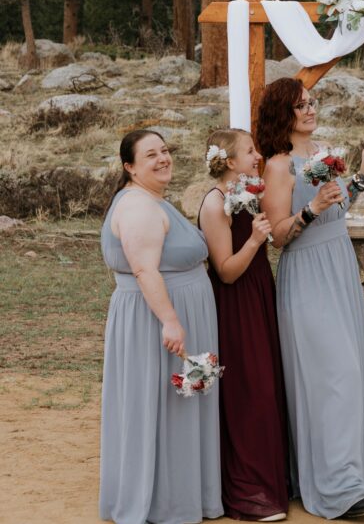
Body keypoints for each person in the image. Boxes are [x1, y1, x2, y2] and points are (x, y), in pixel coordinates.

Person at [257, 78, 364, 520]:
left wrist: (362, 177)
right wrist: (310, 208)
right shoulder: (277, 166)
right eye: (300, 105)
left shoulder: (323, 151)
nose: (310, 110)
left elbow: (337, 207)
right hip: (307, 272)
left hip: (339, 265)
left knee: (351, 374)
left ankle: (352, 478)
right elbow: (278, 237)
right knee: (332, 376)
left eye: (312, 102)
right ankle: (338, 490)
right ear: (283, 114)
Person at [99, 129, 223, 524]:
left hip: (174, 312)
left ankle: (182, 493)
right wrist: (170, 320)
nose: (163, 158)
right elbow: (143, 269)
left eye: (165, 150)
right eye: (150, 155)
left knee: (176, 406)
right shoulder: (138, 207)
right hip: (155, 319)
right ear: (130, 167)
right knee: (160, 403)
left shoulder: (153, 200)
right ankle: (161, 502)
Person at [198, 129, 289, 522]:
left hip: (259, 295)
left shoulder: (248, 194)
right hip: (235, 304)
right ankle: (247, 491)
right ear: (230, 161)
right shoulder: (215, 203)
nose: (257, 156)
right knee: (251, 391)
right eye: (250, 151)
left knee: (269, 385)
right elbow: (226, 271)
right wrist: (254, 241)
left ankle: (273, 483)